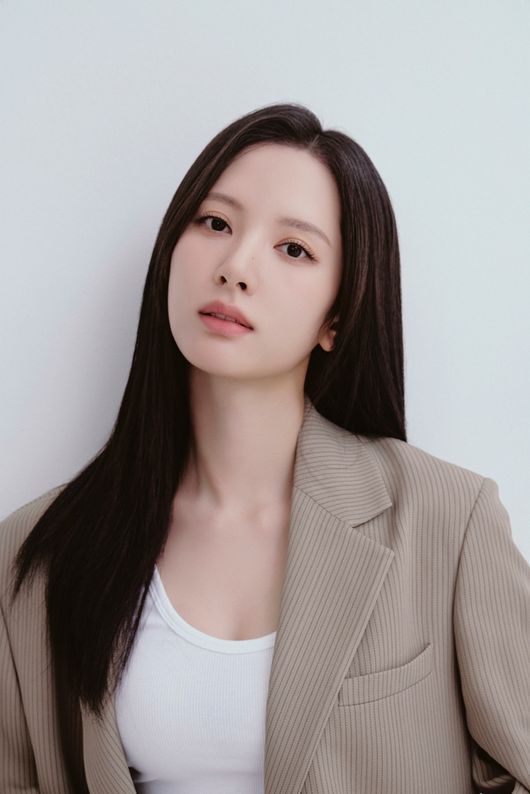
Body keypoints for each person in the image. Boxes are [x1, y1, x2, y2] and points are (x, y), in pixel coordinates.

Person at [0, 102, 528, 794]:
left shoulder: (447, 521)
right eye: (215, 223)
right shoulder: (36, 553)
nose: (236, 266)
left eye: (294, 249)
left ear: (337, 316)